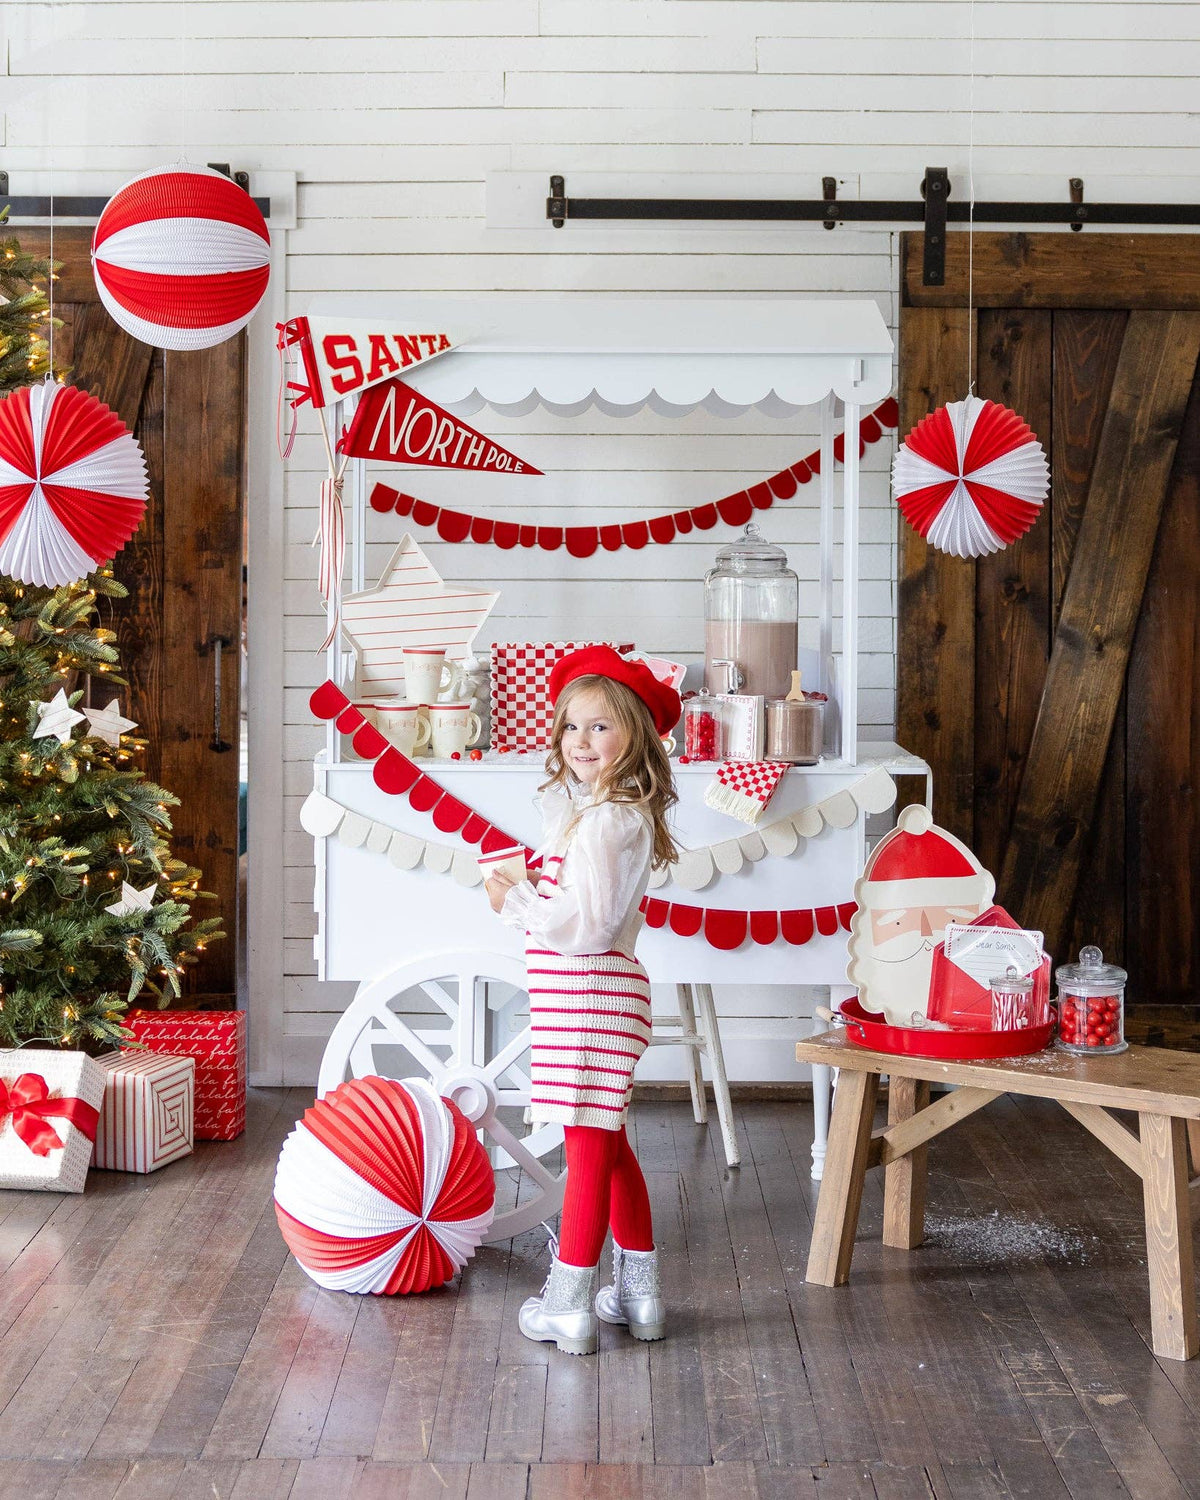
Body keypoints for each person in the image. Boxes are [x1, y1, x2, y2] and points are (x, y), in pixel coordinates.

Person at [484, 645, 680, 1356]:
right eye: (571, 727)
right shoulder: (606, 816)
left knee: (587, 1149)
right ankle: (640, 1293)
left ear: (634, 734)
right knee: (610, 1142)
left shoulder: (604, 822)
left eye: (600, 727)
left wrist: (516, 898)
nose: (581, 742)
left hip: (589, 990)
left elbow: (587, 927)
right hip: (590, 997)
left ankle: (567, 1298)